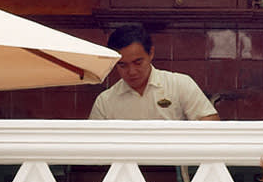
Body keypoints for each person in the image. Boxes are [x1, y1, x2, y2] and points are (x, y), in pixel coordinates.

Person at [87, 25, 217, 121]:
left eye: (138, 62)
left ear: (151, 54)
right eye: (122, 65)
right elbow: (93, 144)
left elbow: (210, 122)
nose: (132, 72)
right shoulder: (105, 102)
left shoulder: (180, 84)